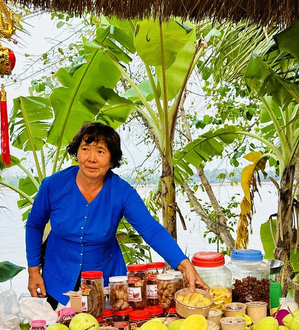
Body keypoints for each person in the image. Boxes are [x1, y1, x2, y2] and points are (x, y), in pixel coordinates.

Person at [25, 122, 207, 308]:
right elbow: (34, 225)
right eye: (85, 149)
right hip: (56, 280)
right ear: (77, 152)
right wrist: (33, 271)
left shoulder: (122, 192)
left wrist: (185, 266)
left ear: (112, 160)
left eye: (101, 152)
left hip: (106, 284)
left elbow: (151, 230)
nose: (91, 158)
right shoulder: (53, 185)